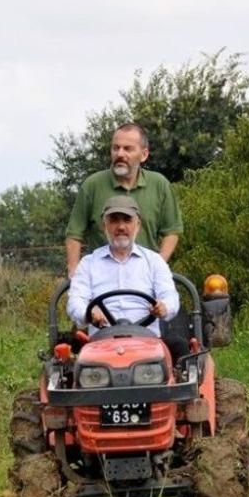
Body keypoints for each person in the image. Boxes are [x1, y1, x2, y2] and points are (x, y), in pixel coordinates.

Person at [66, 196, 183, 357]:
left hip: (147, 341)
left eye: (127, 220)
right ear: (104, 226)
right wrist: (88, 313)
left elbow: (170, 296)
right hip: (101, 343)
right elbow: (75, 301)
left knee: (181, 348)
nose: (121, 227)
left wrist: (164, 307)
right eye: (114, 220)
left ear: (138, 225)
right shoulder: (88, 263)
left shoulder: (154, 261)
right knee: (69, 360)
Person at [64, 123, 183, 278]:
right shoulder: (92, 185)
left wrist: (157, 267)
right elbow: (74, 234)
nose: (120, 154)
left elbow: (172, 231)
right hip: (101, 279)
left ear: (144, 154)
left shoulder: (159, 185)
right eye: (116, 148)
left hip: (144, 279)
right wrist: (74, 273)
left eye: (127, 149)